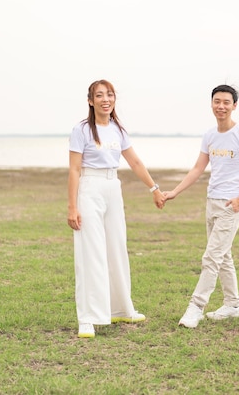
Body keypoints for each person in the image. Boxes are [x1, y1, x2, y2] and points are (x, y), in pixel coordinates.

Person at [67, 79, 166, 338]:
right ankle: (88, 317)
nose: (105, 99)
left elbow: (134, 161)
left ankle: (122, 309)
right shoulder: (81, 130)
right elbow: (75, 169)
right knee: (92, 252)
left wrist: (154, 188)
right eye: (99, 95)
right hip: (89, 188)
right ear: (91, 101)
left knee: (117, 247)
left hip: (113, 188)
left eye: (109, 95)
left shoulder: (117, 130)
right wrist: (72, 206)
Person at [163, 84, 239, 328]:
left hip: (232, 204)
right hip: (212, 201)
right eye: (217, 101)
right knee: (222, 255)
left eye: (226, 102)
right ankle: (233, 305)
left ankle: (196, 307)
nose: (221, 106)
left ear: (234, 106)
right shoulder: (210, 135)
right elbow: (198, 168)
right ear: (211, 104)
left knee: (211, 257)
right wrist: (175, 191)